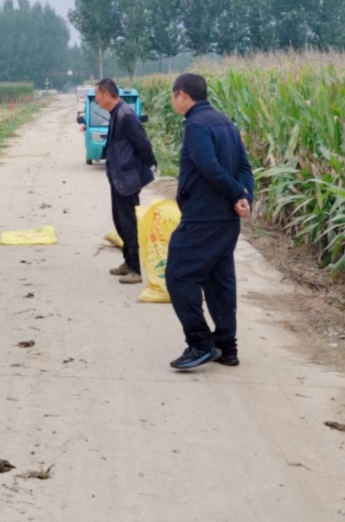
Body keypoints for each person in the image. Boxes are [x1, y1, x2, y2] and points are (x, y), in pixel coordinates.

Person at [166, 72, 254, 371]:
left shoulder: (197, 125)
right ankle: (227, 348)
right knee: (219, 280)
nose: (172, 100)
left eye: (172, 95)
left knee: (179, 275)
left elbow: (210, 168)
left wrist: (236, 193)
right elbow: (244, 166)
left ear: (182, 95)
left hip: (204, 217)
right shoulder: (225, 122)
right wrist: (244, 198)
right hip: (227, 219)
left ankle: (200, 343)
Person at [95, 78, 156, 285]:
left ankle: (136, 269)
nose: (96, 100)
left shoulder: (125, 115)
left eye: (97, 95)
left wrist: (150, 164)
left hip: (128, 179)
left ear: (105, 94)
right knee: (120, 222)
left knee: (129, 224)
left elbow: (143, 144)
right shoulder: (115, 113)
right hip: (118, 178)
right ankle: (128, 262)